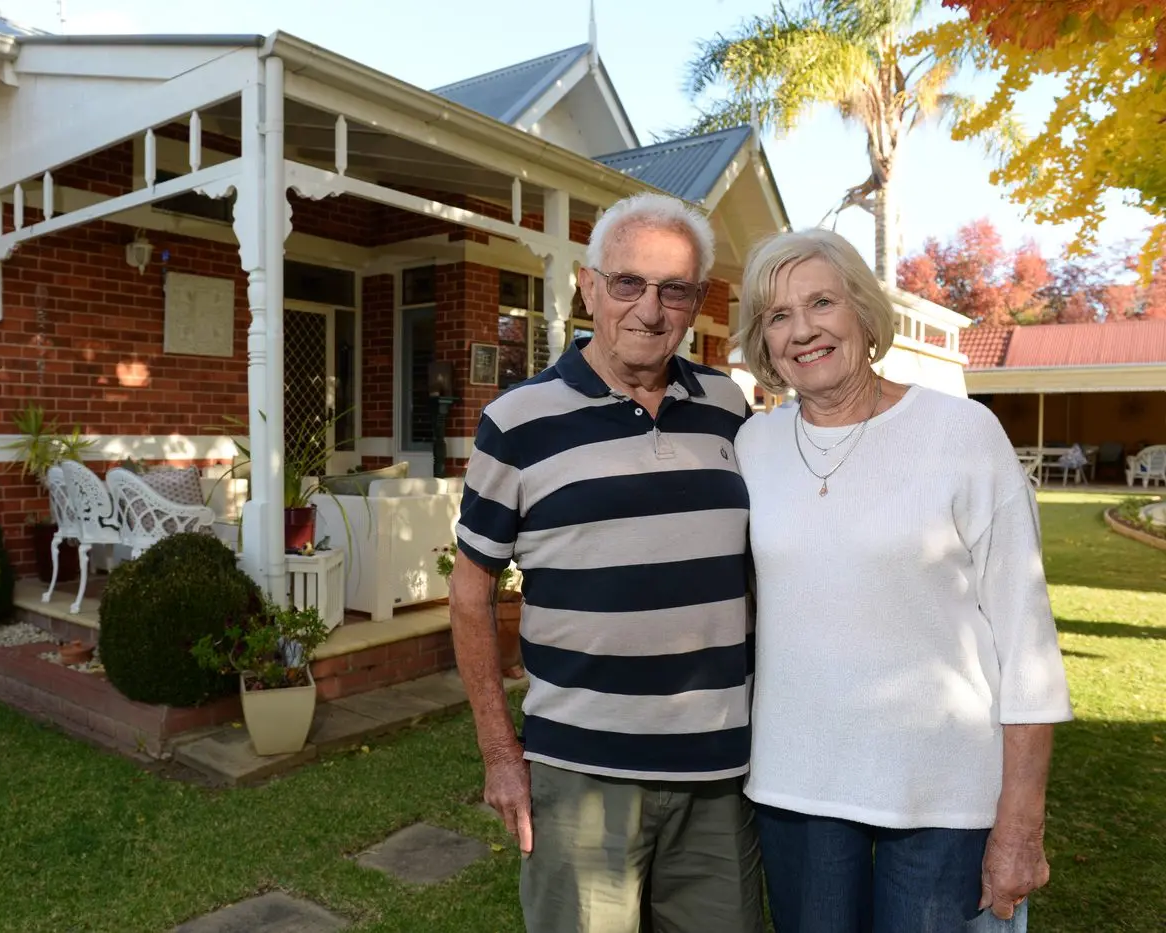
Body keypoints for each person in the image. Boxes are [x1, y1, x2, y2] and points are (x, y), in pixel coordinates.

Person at [732, 228, 1073, 933]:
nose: (803, 330)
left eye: (821, 302)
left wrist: (1022, 818)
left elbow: (1027, 643)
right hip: (798, 791)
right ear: (763, 342)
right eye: (777, 315)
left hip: (944, 800)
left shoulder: (962, 433)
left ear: (861, 310)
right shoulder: (753, 446)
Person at [451, 192, 764, 933]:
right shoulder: (517, 422)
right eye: (628, 283)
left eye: (674, 290)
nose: (650, 310)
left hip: (720, 774)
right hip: (582, 778)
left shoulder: (728, 408)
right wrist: (500, 752)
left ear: (695, 302)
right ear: (588, 287)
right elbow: (469, 597)